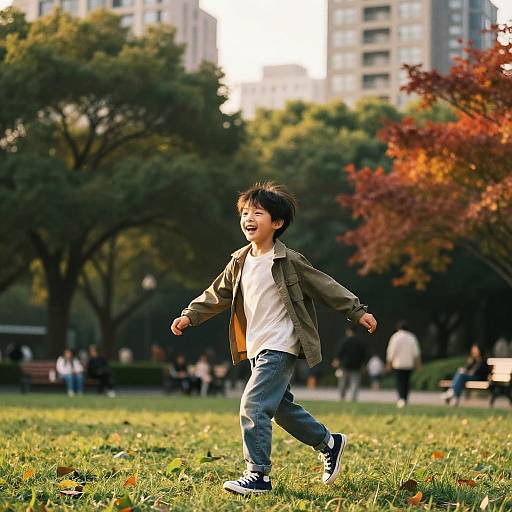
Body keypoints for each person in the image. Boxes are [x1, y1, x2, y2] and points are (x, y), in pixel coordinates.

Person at [170, 182, 377, 496]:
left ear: (277, 223)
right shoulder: (239, 261)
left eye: (258, 212)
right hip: (257, 346)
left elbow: (325, 286)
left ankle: (258, 475)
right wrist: (190, 314)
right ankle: (329, 442)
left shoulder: (288, 261)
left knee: (253, 405)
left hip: (280, 345)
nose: (248, 218)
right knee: (280, 409)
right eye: (244, 212)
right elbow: (217, 294)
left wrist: (356, 311)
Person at [386, 320, 421, 408]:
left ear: (398, 328)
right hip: (409, 364)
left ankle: (401, 398)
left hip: (398, 364)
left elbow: (391, 352)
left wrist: (389, 364)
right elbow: (416, 353)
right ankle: (405, 398)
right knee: (406, 382)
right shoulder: (412, 337)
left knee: (400, 382)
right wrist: (418, 365)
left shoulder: (395, 337)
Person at [332, 326, 366, 401]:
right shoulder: (360, 342)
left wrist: (336, 361)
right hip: (357, 366)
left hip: (345, 365)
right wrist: (363, 365)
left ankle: (342, 396)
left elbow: (339, 353)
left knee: (342, 382)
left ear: (348, 331)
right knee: (355, 383)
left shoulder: (344, 341)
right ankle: (353, 398)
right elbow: (363, 355)